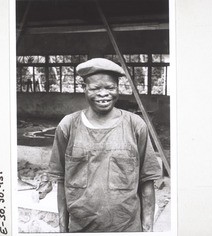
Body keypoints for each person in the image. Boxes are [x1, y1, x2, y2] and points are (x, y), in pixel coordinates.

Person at [48, 58, 162, 232]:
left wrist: (148, 229)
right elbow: (62, 181)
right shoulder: (68, 126)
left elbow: (147, 182)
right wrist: (63, 229)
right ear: (84, 88)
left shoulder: (135, 125)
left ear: (118, 88)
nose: (103, 93)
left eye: (110, 87)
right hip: (80, 229)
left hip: (127, 229)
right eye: (95, 88)